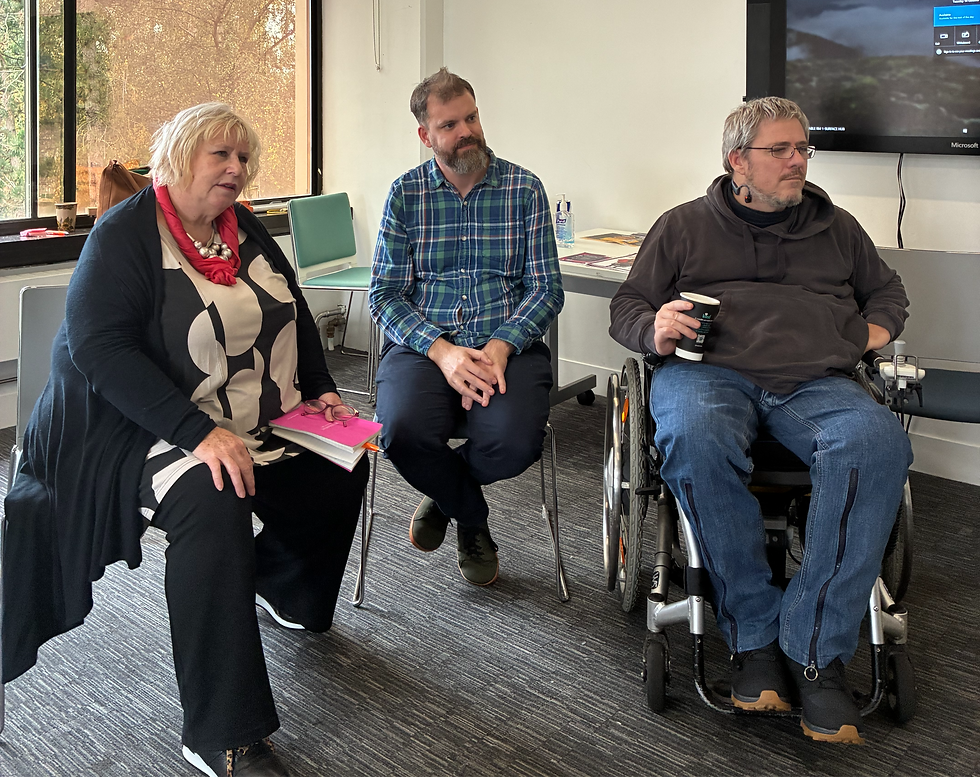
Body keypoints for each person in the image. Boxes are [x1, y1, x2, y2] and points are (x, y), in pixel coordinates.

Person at [1, 102, 369, 777]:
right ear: (179, 158)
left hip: (238, 413)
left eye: (243, 157)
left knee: (340, 463)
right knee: (215, 494)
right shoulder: (127, 234)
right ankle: (221, 731)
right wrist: (198, 433)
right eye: (220, 155)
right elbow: (98, 350)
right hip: (127, 427)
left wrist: (319, 389)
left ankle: (283, 589)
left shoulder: (243, 227)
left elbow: (290, 311)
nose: (236, 169)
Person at [608, 97, 913, 744]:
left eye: (803, 148)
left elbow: (887, 293)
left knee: (877, 440)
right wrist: (654, 325)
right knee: (691, 436)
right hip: (708, 373)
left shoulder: (838, 228)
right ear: (737, 160)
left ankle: (815, 651)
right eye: (782, 150)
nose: (799, 160)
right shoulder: (684, 226)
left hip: (816, 380)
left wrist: (864, 335)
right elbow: (628, 306)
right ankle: (753, 633)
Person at [369, 68, 564, 587]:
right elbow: (383, 296)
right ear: (425, 135)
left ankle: (446, 495)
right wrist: (442, 352)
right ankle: (472, 519)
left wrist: (502, 344)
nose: (467, 132)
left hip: (509, 347)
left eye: (472, 117)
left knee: (515, 443)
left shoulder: (524, 188)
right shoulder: (405, 195)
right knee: (402, 433)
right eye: (450, 124)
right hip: (425, 349)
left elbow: (546, 289)